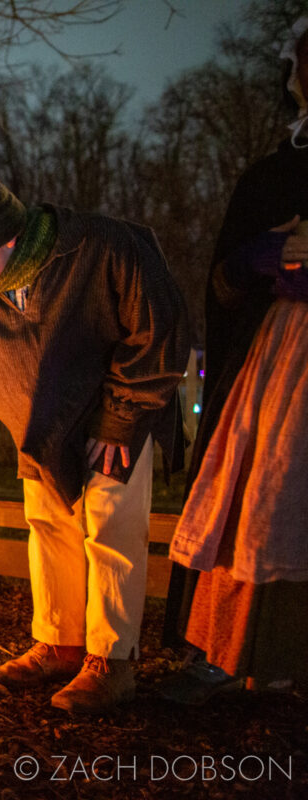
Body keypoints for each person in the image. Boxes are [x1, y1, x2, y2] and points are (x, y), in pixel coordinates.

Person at [0, 174, 189, 713]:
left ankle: (111, 662)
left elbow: (157, 332)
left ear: (5, 239)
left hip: (110, 423)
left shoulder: (103, 248)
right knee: (49, 528)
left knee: (111, 529)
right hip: (38, 430)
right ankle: (61, 643)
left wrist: (119, 421)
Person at [160, 17, 308, 704]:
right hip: (275, 363)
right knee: (256, 490)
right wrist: (257, 265)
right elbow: (222, 282)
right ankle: (231, 652)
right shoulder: (273, 177)